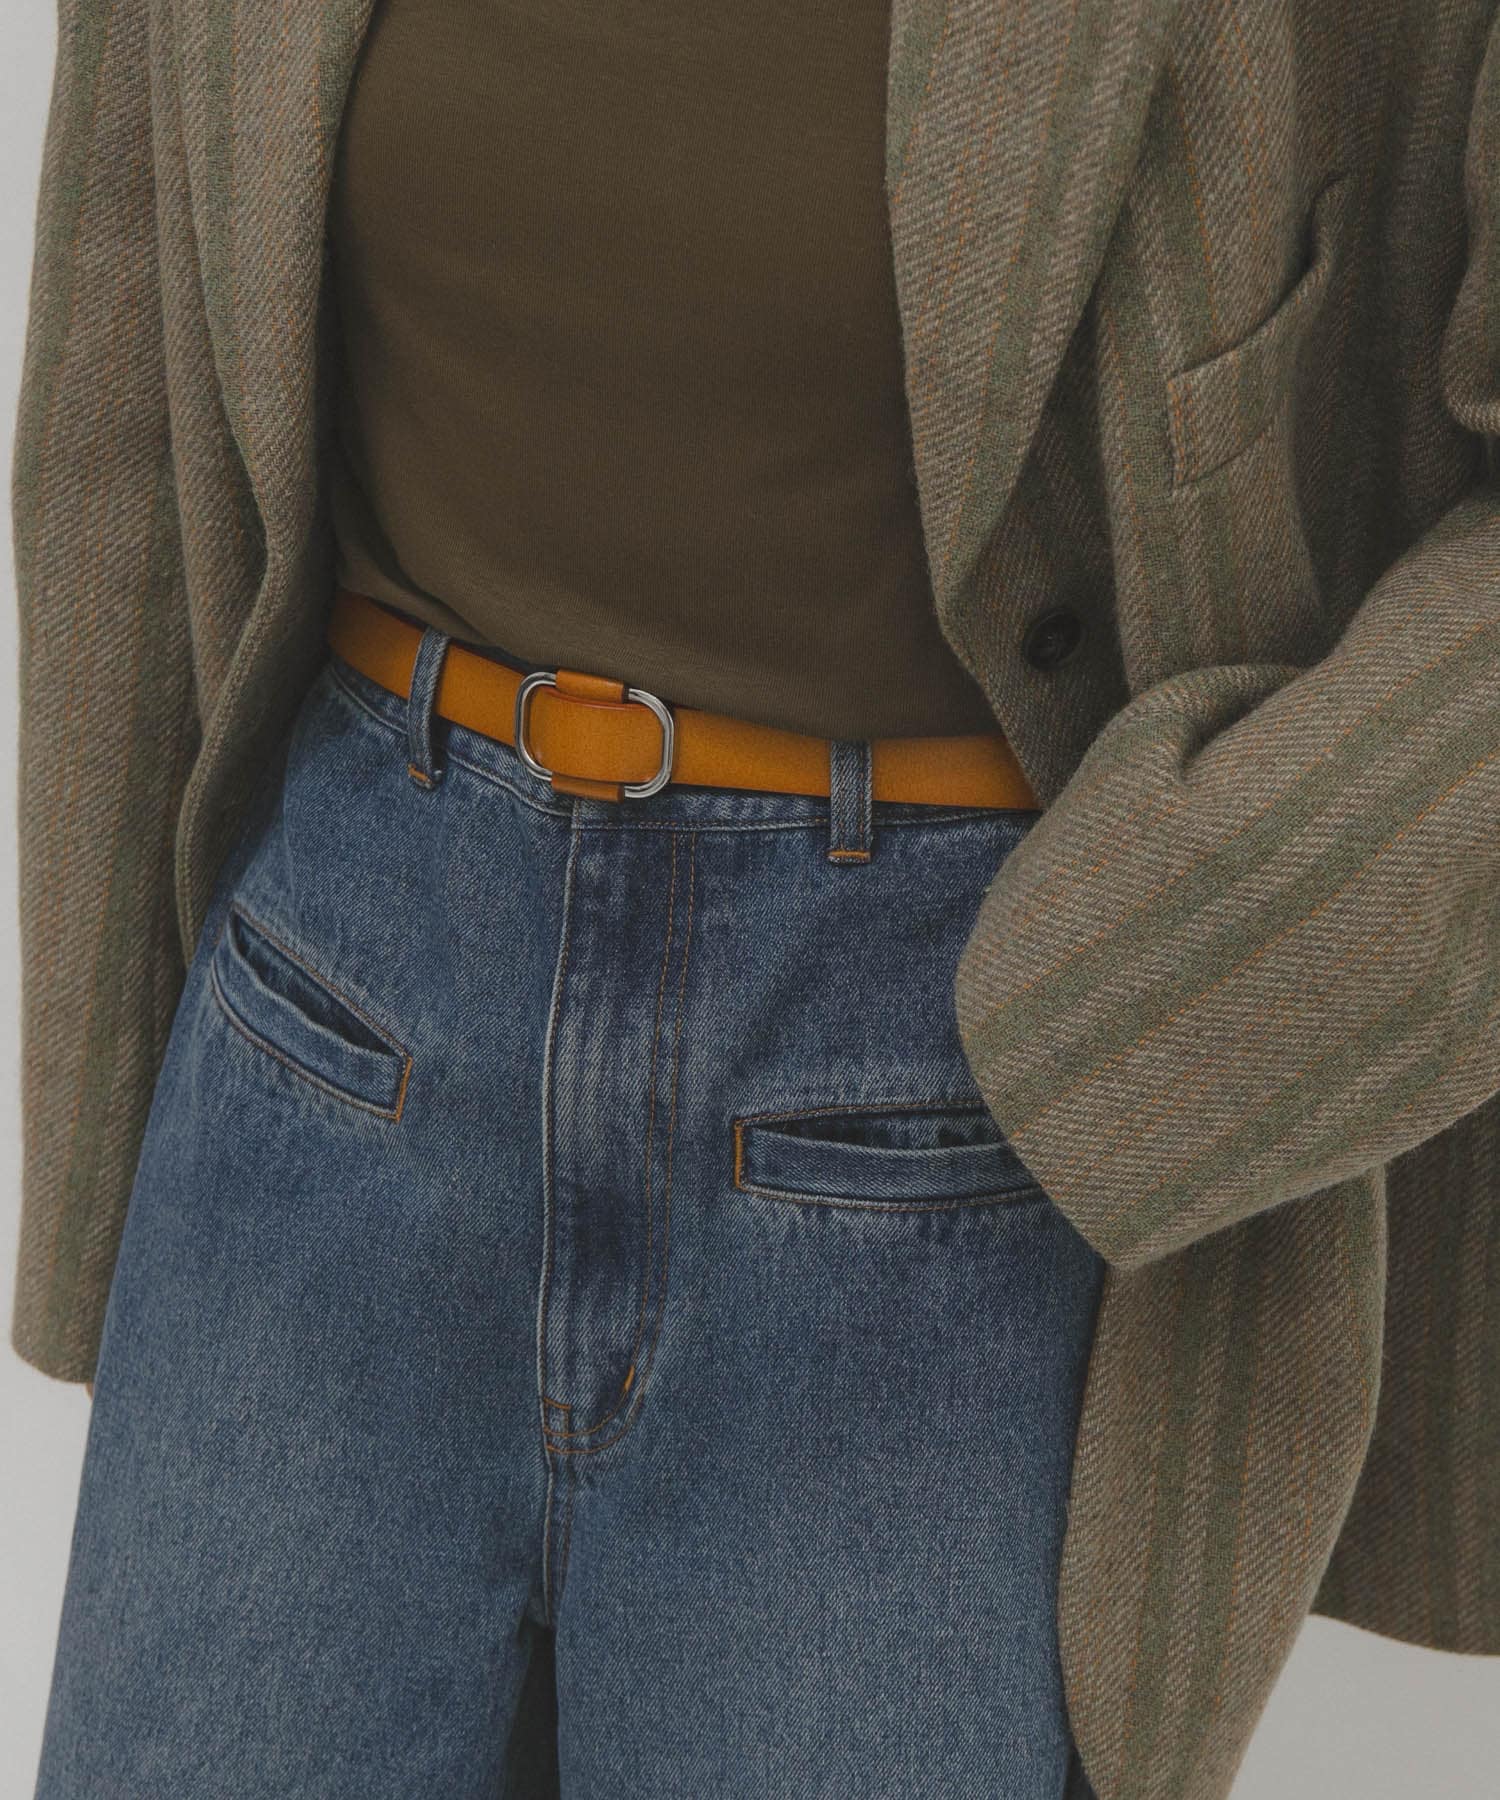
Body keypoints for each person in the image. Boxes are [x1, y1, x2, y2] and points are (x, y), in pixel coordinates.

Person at [10, 1, 1500, 1796]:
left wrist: (1174, 995)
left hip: (940, 1141)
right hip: (328, 1028)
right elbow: (119, 372)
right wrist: (95, 1161)